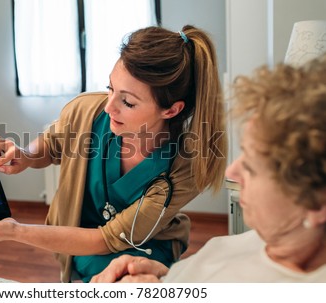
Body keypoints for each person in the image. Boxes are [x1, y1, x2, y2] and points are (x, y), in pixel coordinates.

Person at [0, 25, 227, 282]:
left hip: (145, 246)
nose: (109, 106)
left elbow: (107, 239)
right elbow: (52, 145)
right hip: (80, 236)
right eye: (110, 88)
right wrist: (25, 155)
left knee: (129, 280)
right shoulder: (87, 111)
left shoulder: (187, 166)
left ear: (171, 110)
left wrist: (16, 231)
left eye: (128, 101)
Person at [90, 53, 326, 283]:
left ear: (316, 204)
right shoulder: (257, 241)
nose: (231, 173)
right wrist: (162, 277)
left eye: (252, 168)